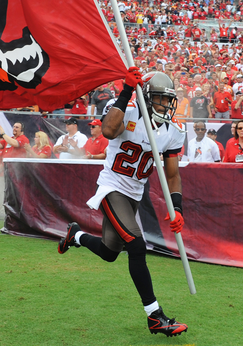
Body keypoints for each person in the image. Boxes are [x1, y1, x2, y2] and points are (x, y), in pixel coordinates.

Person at [58, 69, 189, 338]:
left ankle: (76, 236)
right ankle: (155, 317)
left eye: (168, 100)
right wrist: (127, 90)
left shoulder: (173, 131)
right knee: (137, 246)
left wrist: (177, 208)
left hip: (134, 194)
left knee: (109, 252)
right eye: (161, 99)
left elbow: (172, 175)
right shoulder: (126, 111)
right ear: (147, 97)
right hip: (111, 188)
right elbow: (107, 130)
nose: (166, 105)